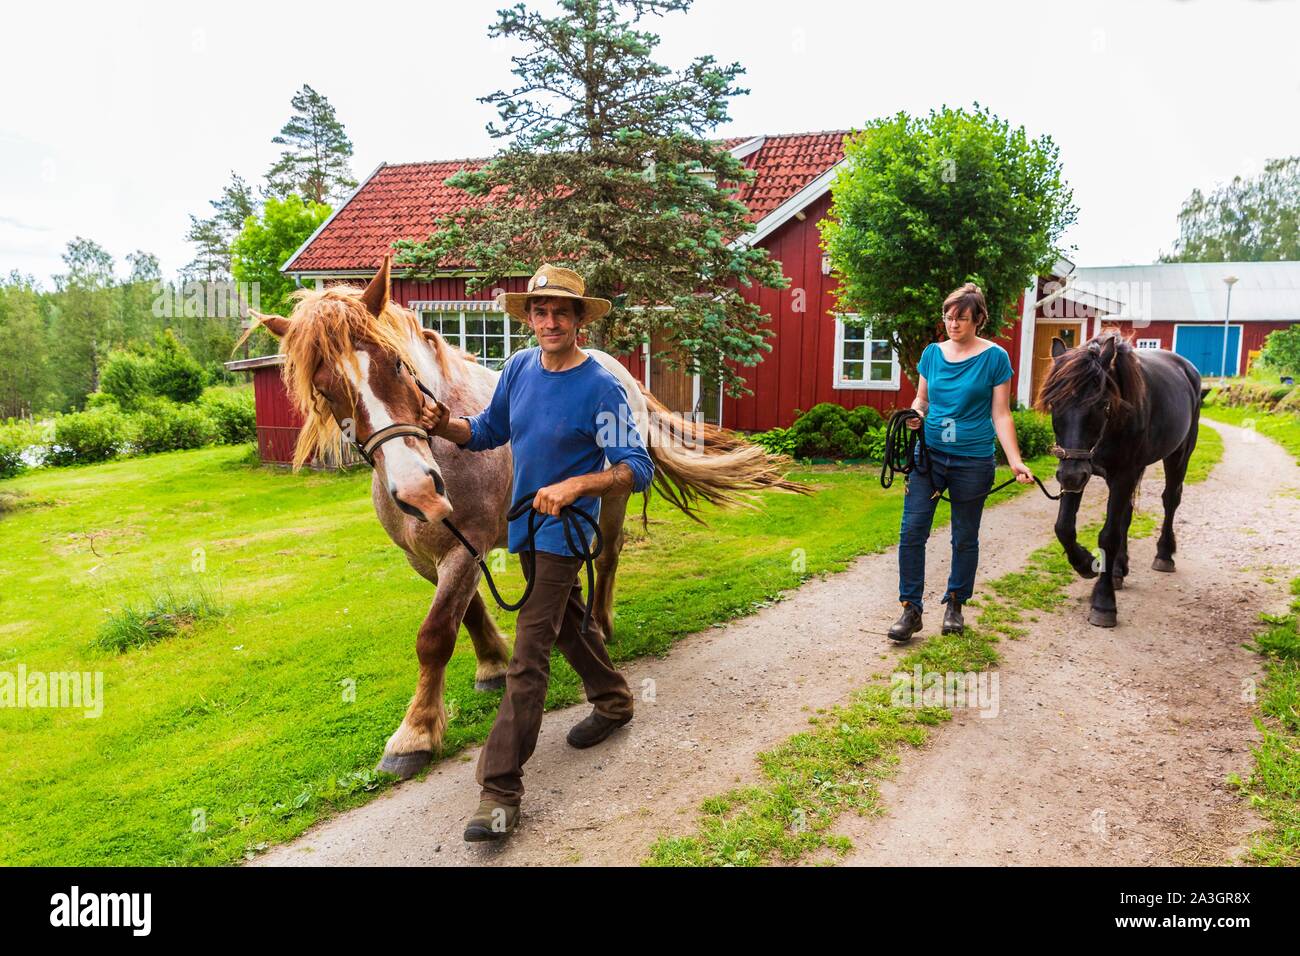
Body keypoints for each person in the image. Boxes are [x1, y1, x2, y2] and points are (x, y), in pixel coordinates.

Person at [424, 263, 654, 841]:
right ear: (529, 318)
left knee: (529, 654)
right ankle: (614, 699)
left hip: (568, 530)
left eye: (562, 312)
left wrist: (578, 485)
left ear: (580, 320)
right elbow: (488, 430)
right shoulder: (521, 368)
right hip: (526, 525)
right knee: (570, 622)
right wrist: (443, 425)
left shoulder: (599, 385)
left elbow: (636, 467)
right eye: (540, 311)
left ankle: (499, 790)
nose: (550, 321)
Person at [889, 283, 1033, 643]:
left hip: (973, 459)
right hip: (930, 456)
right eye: (948, 317)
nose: (952, 324)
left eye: (961, 318)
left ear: (978, 319)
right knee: (912, 531)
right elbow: (922, 399)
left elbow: (1001, 414)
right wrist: (915, 415)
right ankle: (911, 609)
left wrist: (1015, 461)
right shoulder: (932, 355)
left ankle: (955, 603)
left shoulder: (995, 358)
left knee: (965, 536)